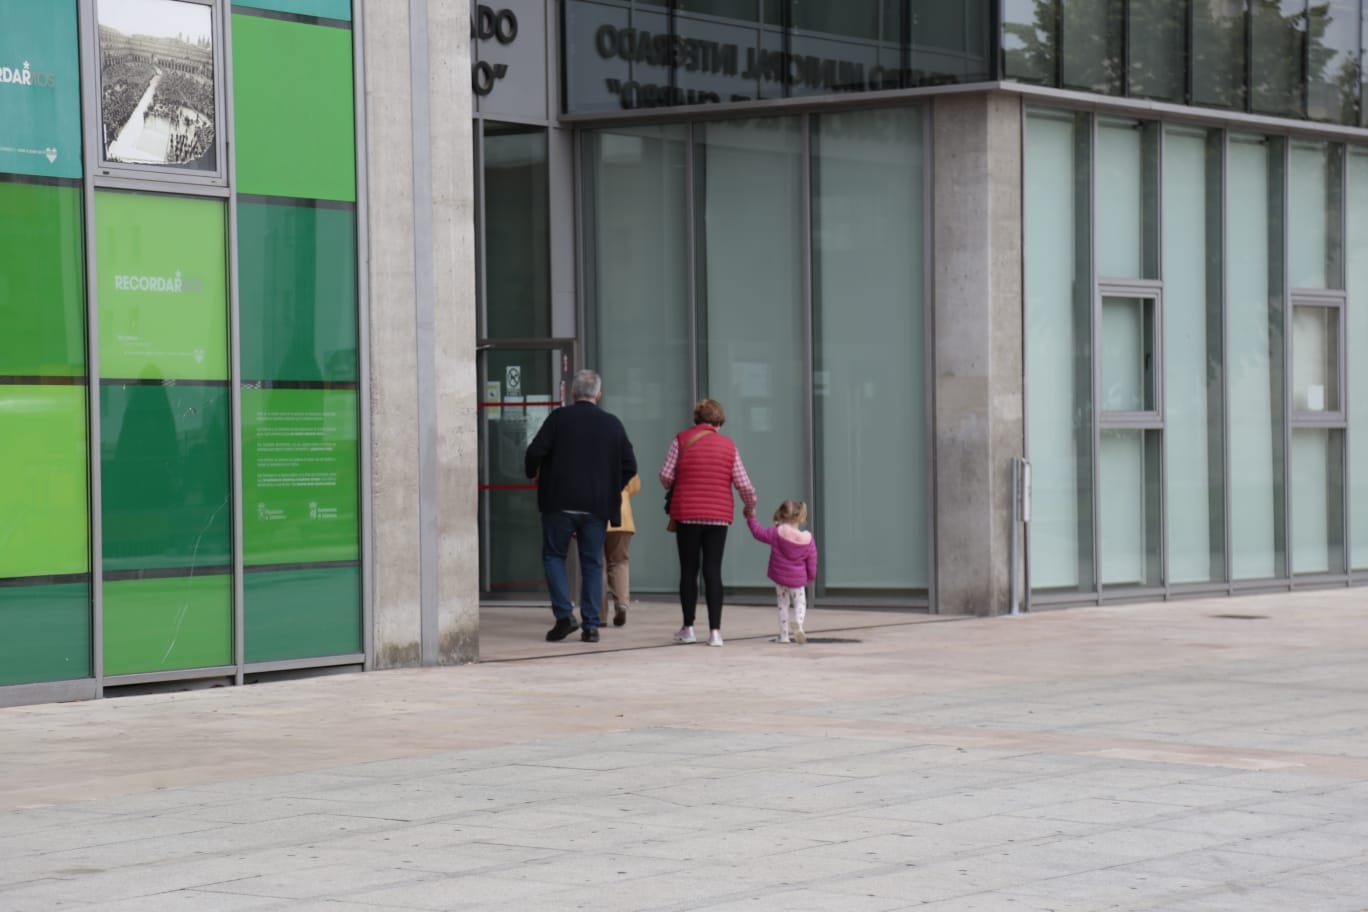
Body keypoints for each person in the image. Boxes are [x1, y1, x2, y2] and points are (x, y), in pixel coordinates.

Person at [525, 370, 637, 644]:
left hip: (559, 503)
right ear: (598, 394)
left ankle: (564, 615)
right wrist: (611, 487)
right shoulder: (612, 424)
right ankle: (590, 625)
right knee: (592, 563)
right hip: (596, 507)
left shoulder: (559, 419)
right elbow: (630, 466)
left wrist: (534, 474)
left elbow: (534, 451)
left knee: (553, 556)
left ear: (573, 394)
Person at [659, 399, 757, 647]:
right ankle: (715, 632)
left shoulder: (681, 439)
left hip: (687, 514)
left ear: (696, 418)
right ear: (718, 422)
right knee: (713, 572)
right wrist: (750, 506)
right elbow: (743, 483)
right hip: (718, 517)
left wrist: (684, 480)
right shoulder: (728, 446)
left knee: (688, 571)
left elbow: (666, 475)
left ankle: (688, 628)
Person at [747, 500, 818, 644]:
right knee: (800, 603)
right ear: (800, 518)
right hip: (797, 581)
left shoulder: (776, 533)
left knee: (782, 605)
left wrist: (751, 518)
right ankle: (798, 624)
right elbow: (812, 560)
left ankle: (784, 636)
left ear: (781, 514)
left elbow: (758, 532)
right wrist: (811, 576)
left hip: (780, 579)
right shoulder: (807, 540)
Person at [603, 475, 641, 627]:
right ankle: (622, 604)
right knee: (620, 562)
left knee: (597, 565)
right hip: (622, 516)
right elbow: (635, 485)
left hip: (596, 515)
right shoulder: (622, 452)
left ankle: (599, 615)